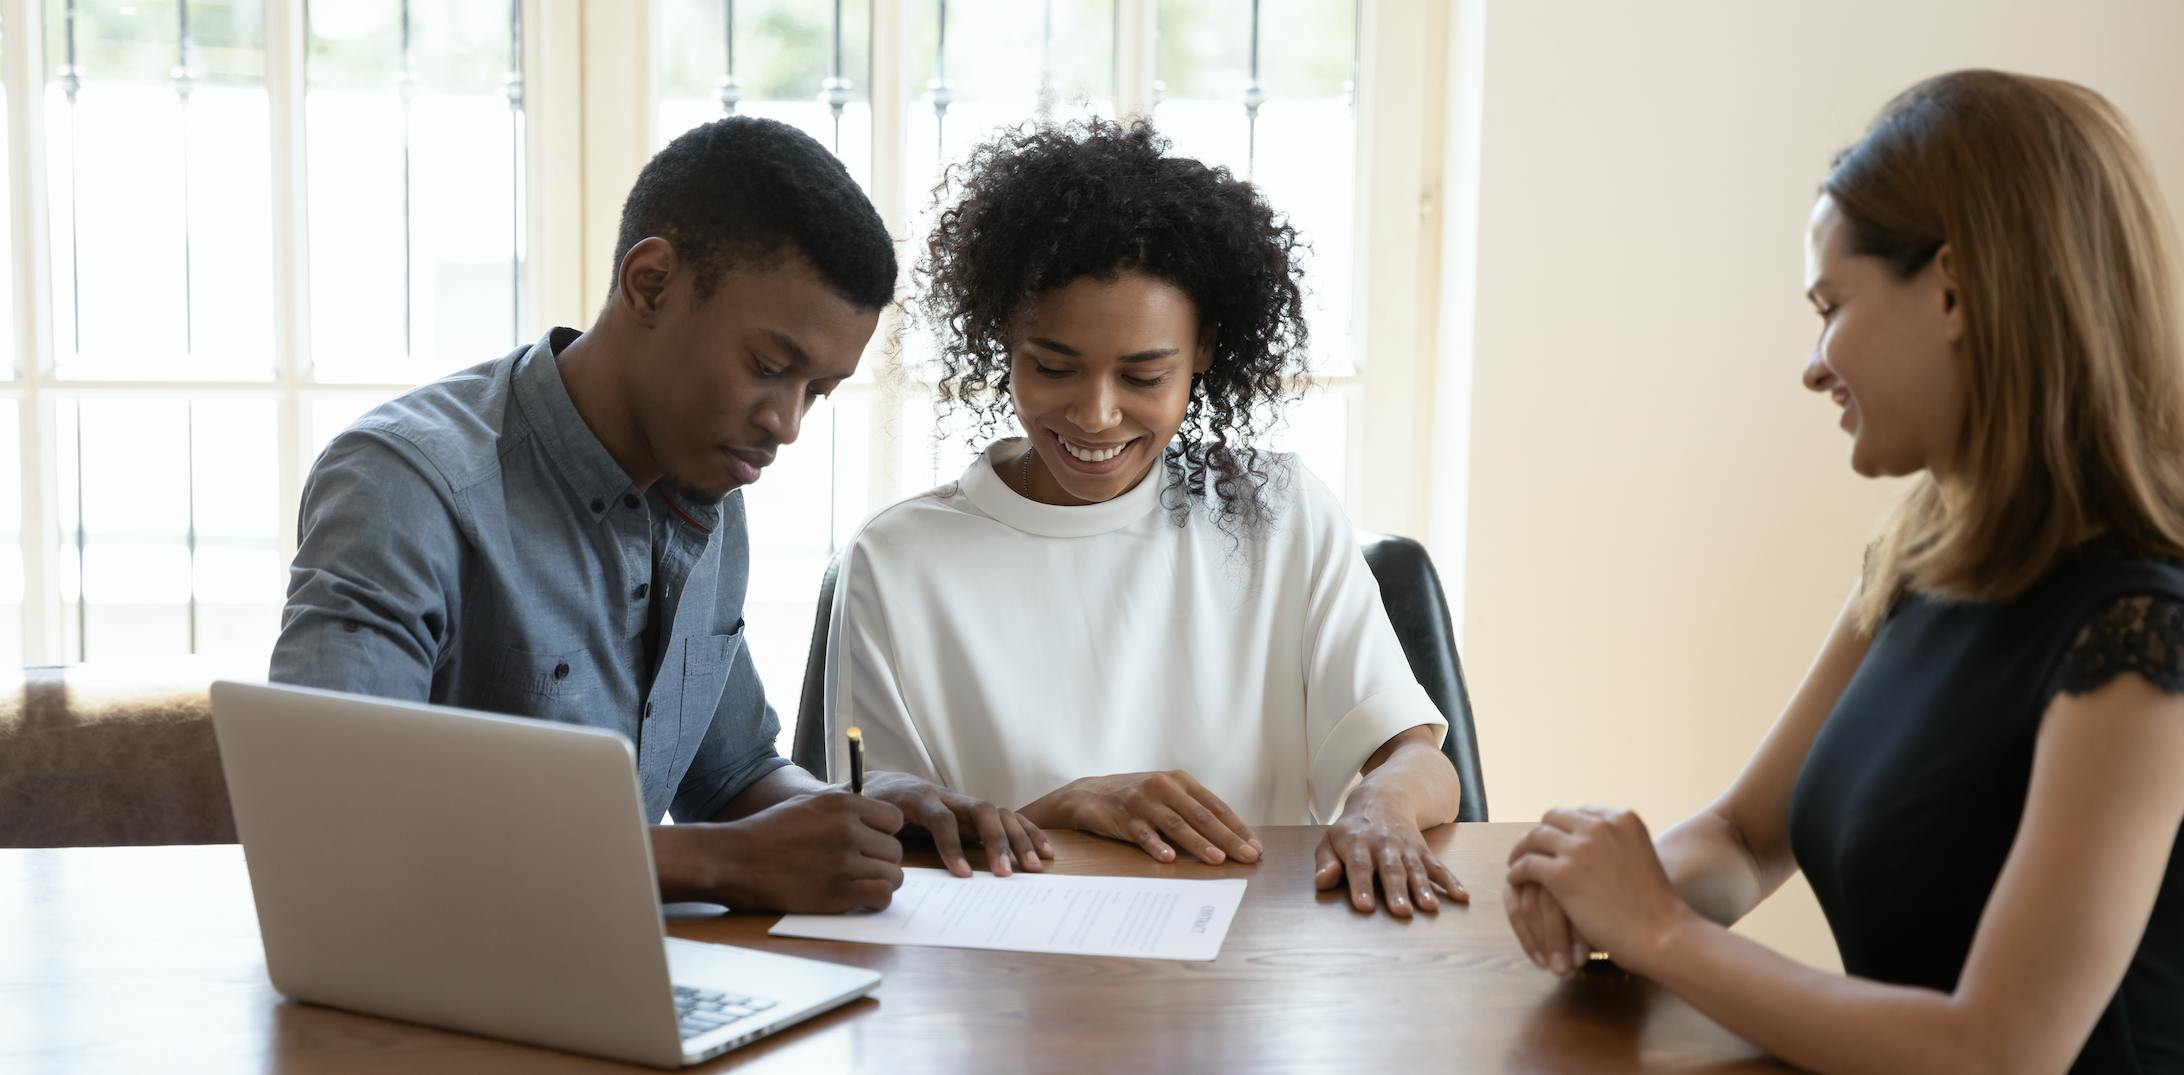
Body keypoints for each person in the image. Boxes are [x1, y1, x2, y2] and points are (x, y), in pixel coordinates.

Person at [1502, 70, 2184, 1073]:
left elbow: (1997, 1050)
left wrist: (1658, 929)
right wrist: (1606, 889)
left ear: (1953, 289)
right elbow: (1742, 836)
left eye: (1832, 305)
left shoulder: (2140, 638)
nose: (1815, 362)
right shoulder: (1919, 554)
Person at [272, 116, 1025, 914]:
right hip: (419, 1001)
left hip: (618, 979)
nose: (788, 423)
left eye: (817, 392)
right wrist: (715, 862)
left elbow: (732, 776)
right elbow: (333, 814)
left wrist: (859, 817)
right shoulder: (405, 484)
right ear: (652, 283)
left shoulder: (709, 487)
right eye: (770, 368)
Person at [824, 118, 1468, 917]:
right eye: (1053, 366)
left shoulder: (1275, 514)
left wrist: (1382, 805)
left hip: (1244, 973)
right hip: (1002, 983)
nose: (1096, 414)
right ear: (1004, 342)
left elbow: (1419, 757)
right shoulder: (897, 561)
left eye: (1143, 374)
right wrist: (1061, 806)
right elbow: (877, 824)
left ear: (1203, 352)